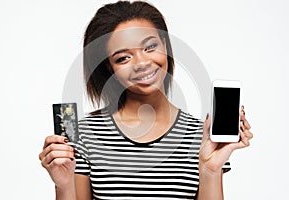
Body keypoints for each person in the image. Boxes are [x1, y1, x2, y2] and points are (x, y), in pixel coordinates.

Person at [39, 1, 253, 199]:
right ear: (109, 67)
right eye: (123, 58)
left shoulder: (202, 138)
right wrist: (63, 185)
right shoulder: (85, 134)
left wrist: (211, 170)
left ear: (165, 46)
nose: (141, 63)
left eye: (150, 47)